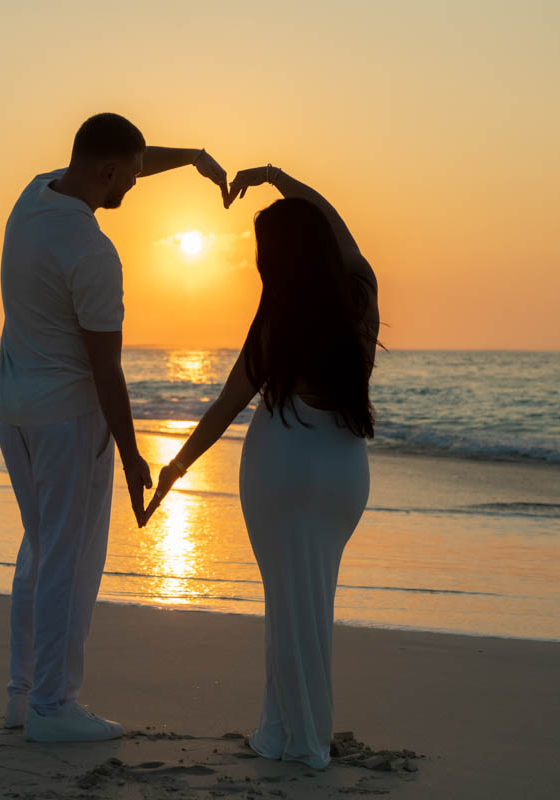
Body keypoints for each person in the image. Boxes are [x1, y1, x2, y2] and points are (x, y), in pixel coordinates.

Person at [0, 113, 229, 743]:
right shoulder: (93, 252)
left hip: (15, 412)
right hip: (69, 423)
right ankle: (52, 707)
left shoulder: (34, 194)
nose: (134, 184)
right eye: (130, 175)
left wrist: (192, 157)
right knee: (69, 564)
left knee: (40, 550)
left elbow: (123, 157)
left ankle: (23, 694)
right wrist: (130, 456)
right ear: (106, 171)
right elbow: (107, 370)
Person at [145, 164, 379, 769]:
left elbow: (227, 405)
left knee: (290, 605)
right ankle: (279, 730)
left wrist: (175, 468)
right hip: (345, 473)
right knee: (308, 603)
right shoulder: (361, 294)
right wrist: (278, 177)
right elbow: (339, 227)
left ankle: (305, 742)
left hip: (284, 467)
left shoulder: (278, 320)